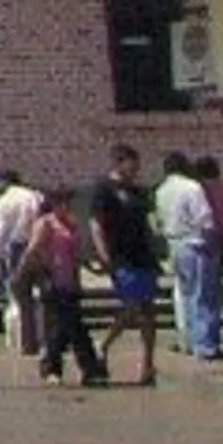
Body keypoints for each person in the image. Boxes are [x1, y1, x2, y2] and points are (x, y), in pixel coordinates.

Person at [87, 145, 162, 385]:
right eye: (132, 164)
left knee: (148, 312)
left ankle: (148, 365)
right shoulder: (104, 190)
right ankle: (105, 343)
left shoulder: (138, 191)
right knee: (132, 305)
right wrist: (103, 255)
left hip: (143, 256)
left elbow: (148, 220)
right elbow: (96, 224)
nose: (136, 170)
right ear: (119, 163)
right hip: (121, 256)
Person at [12, 196, 105, 387]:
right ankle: (75, 368)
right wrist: (27, 274)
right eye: (61, 203)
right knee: (65, 328)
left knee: (68, 328)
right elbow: (33, 251)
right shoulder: (46, 224)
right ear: (53, 205)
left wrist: (93, 269)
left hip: (69, 282)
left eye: (68, 203)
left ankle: (78, 368)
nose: (65, 207)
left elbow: (77, 254)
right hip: (52, 282)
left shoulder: (71, 225)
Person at [158, 153, 222, 363]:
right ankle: (205, 345)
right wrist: (213, 242)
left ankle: (187, 339)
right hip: (196, 243)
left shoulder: (161, 190)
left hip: (175, 244)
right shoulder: (191, 188)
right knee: (203, 295)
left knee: (185, 295)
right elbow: (204, 219)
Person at [0, 167, 46, 361]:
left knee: (19, 296)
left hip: (16, 248)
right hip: (39, 245)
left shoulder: (2, 202)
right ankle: (45, 337)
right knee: (42, 294)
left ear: (3, 182)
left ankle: (26, 342)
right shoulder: (35, 196)